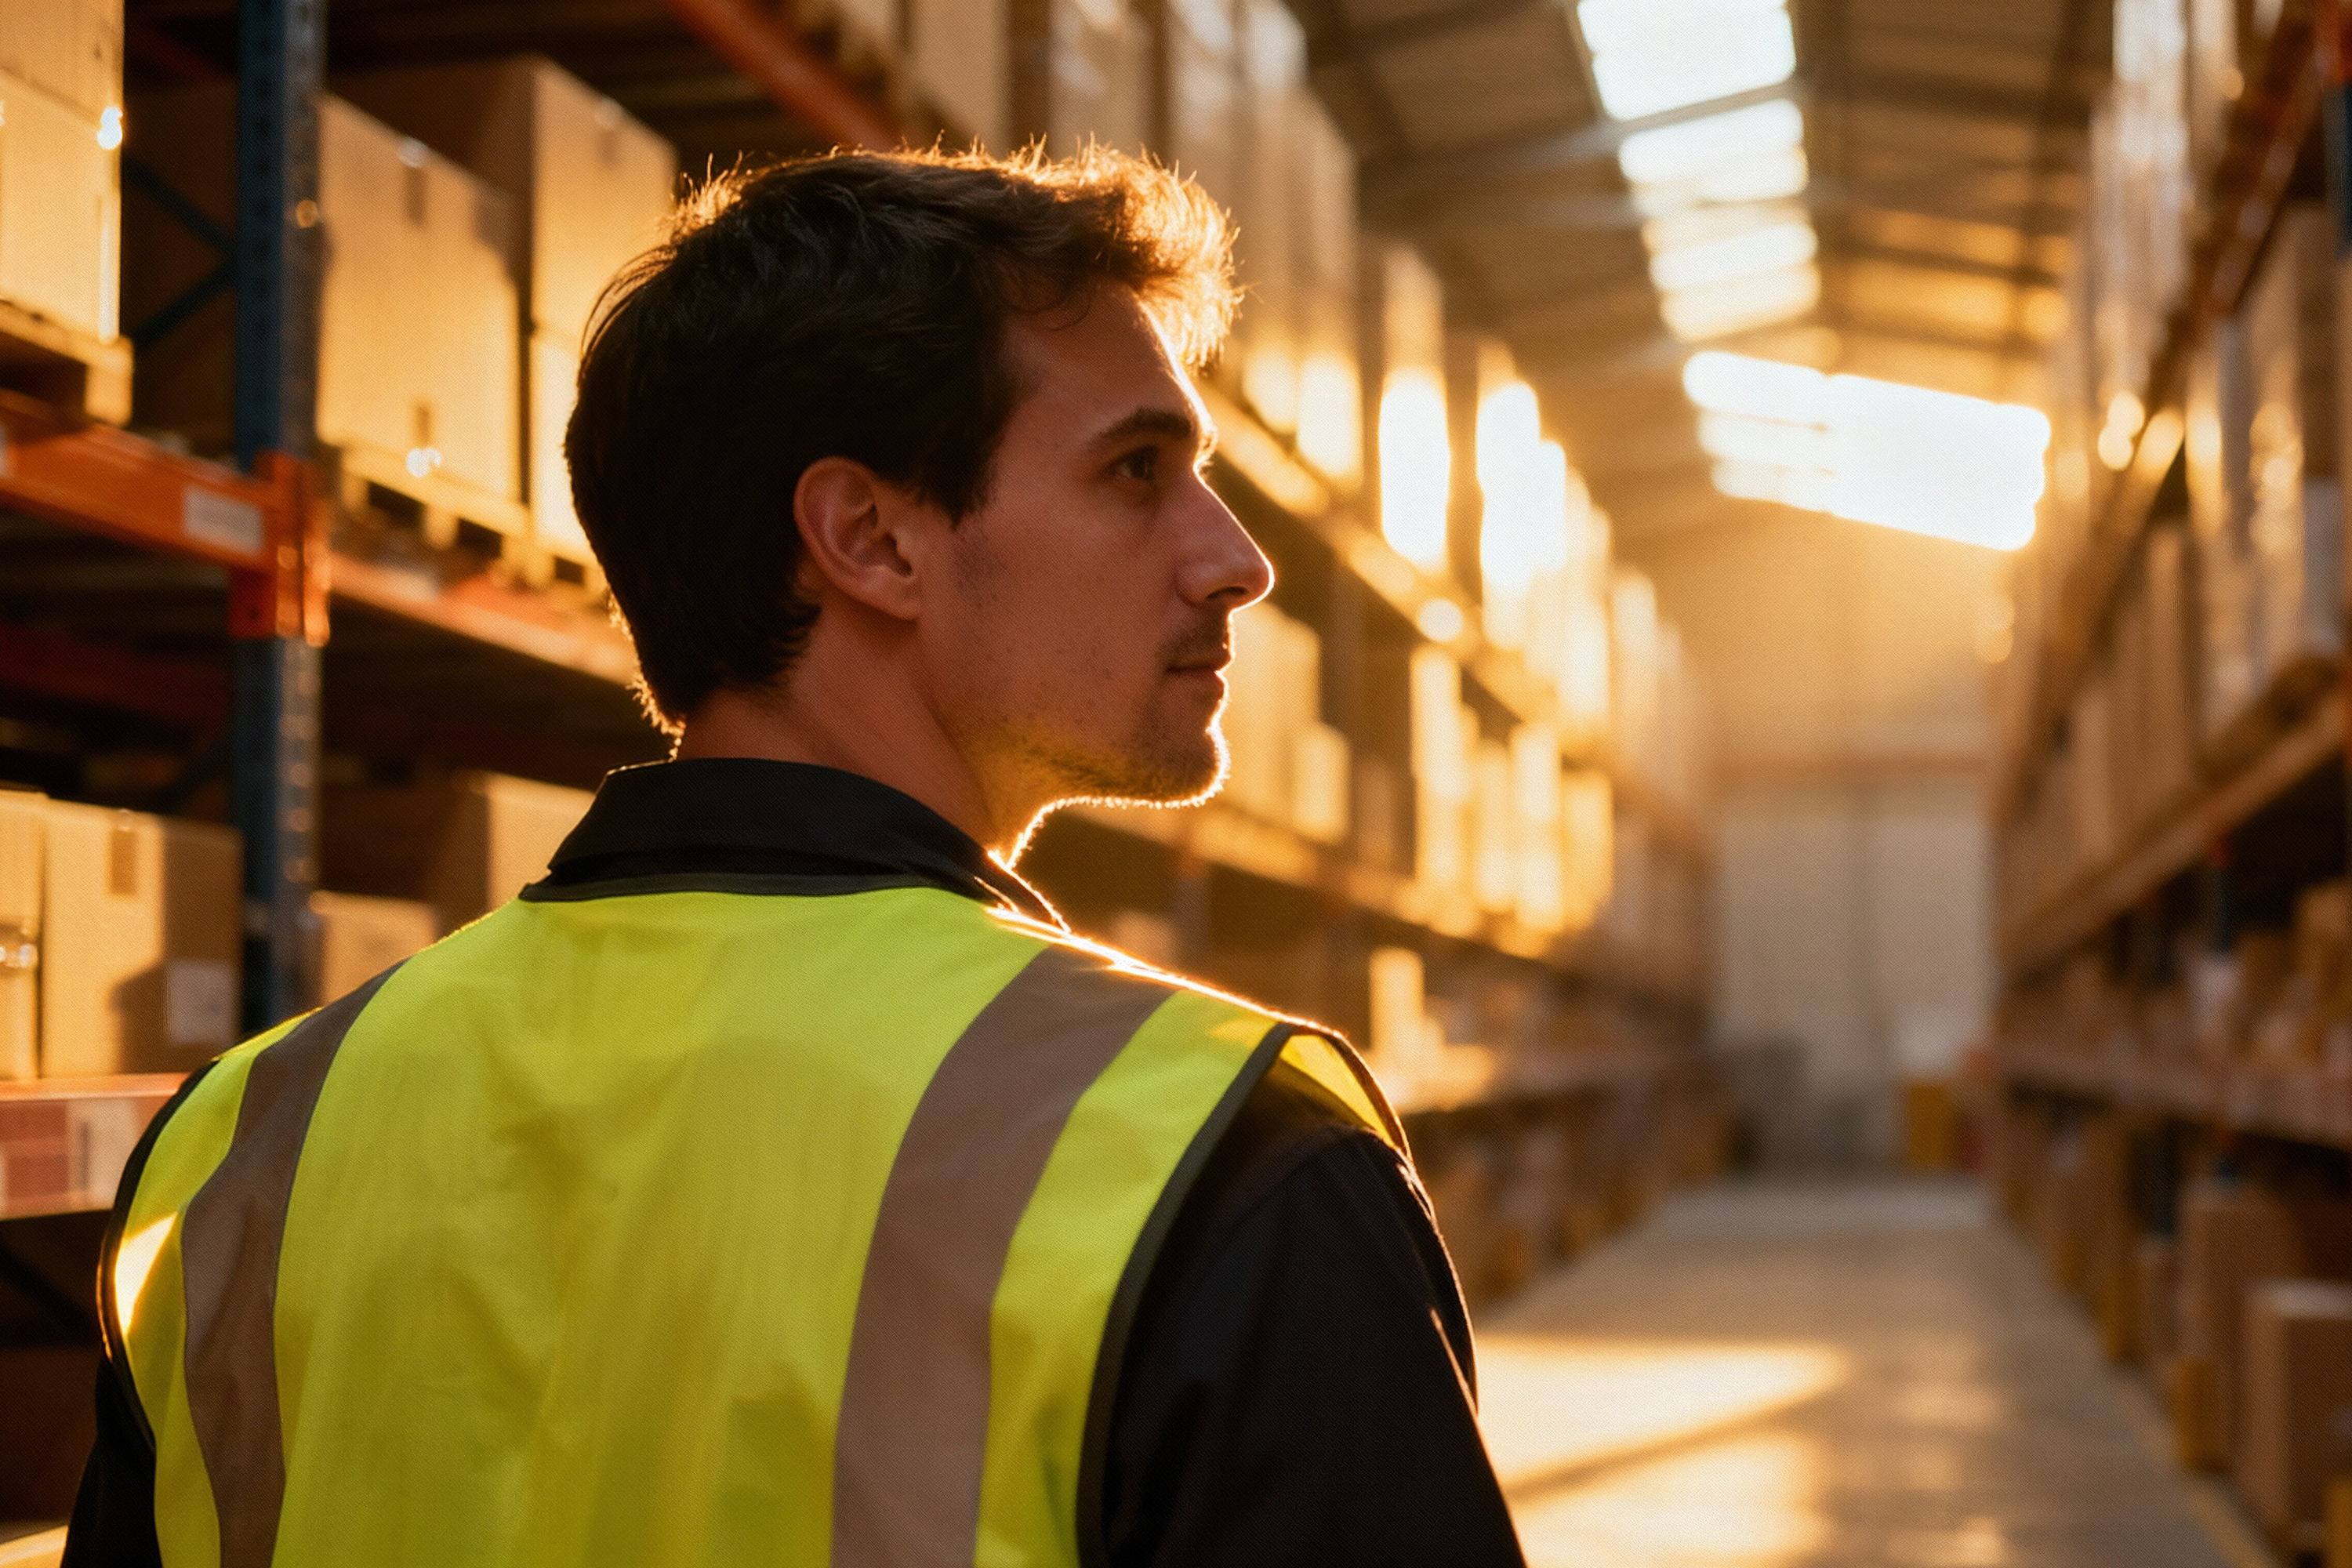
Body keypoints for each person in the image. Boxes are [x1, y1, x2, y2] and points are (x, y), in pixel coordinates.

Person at [67, 146, 1526, 1568]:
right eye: (1138, 469)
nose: (1237, 561)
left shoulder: (244, 1148)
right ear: (870, 539)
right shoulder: (1213, 1156)